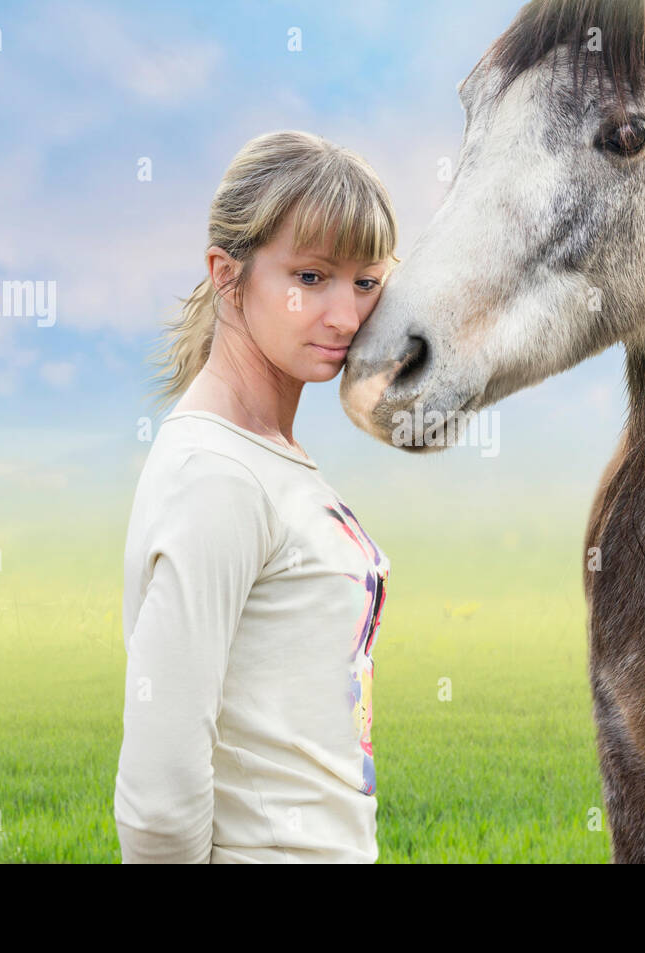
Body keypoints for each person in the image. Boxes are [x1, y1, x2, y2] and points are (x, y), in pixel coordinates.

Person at [114, 130, 398, 863]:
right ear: (226, 274)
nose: (345, 316)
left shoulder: (268, 456)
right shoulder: (216, 476)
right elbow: (157, 798)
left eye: (366, 282)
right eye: (309, 277)